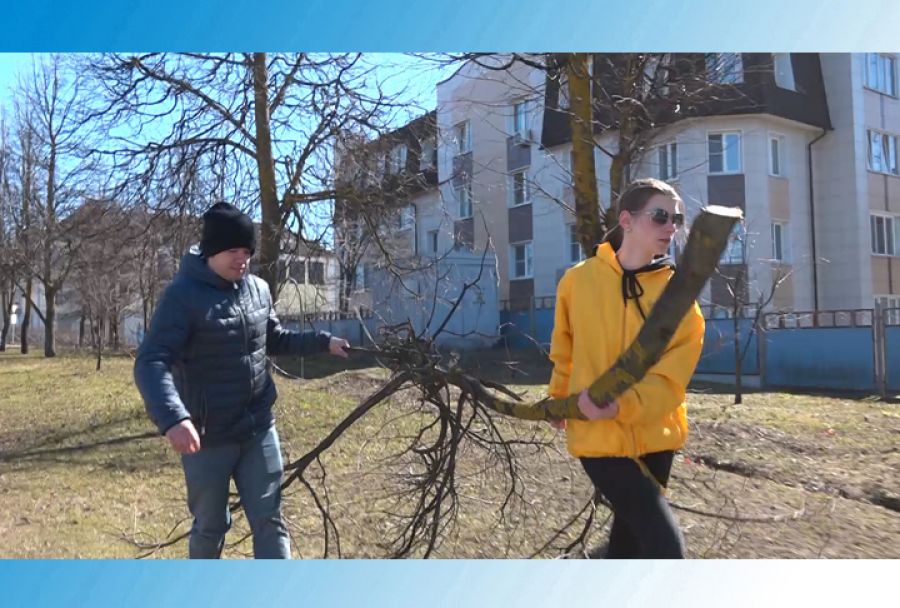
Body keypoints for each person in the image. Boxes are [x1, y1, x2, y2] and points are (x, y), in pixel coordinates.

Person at [134, 201, 349, 559]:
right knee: (211, 526)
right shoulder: (182, 297)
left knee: (270, 519)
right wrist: (174, 418)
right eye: (233, 250)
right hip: (207, 438)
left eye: (247, 251)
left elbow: (274, 339)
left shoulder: (259, 290)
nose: (242, 259)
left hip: (258, 429)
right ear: (211, 251)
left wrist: (323, 341)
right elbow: (150, 362)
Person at [548, 178, 705, 559]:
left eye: (677, 219)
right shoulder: (577, 282)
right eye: (660, 216)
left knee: (628, 548)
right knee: (665, 549)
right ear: (627, 220)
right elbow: (564, 352)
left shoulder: (679, 297)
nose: (671, 226)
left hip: (657, 438)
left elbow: (672, 378)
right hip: (597, 434)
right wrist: (559, 399)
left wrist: (624, 404)